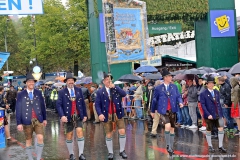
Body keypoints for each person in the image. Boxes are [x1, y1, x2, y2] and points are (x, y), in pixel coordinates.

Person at [95, 72, 127, 160]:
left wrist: (115, 87)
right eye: (106, 80)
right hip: (107, 114)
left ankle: (122, 150)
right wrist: (100, 114)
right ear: (103, 81)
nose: (108, 81)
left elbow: (124, 94)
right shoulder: (100, 92)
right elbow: (97, 104)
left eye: (109, 79)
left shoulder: (116, 88)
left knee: (122, 131)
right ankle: (110, 152)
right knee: (109, 134)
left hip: (118, 113)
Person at [151, 68, 183, 156]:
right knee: (167, 126)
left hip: (172, 110)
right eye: (169, 76)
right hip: (163, 110)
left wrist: (180, 102)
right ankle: (168, 145)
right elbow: (154, 100)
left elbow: (178, 96)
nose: (171, 77)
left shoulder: (174, 86)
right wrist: (152, 111)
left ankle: (170, 146)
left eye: (171, 76)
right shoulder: (158, 88)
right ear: (165, 77)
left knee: (172, 128)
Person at [16, 72, 47, 160]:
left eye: (32, 81)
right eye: (29, 81)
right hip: (26, 120)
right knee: (28, 140)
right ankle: (30, 158)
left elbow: (42, 106)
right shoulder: (21, 94)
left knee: (40, 137)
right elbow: (18, 109)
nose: (31, 83)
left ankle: (38, 158)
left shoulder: (38, 92)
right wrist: (19, 123)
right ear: (26, 83)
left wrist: (44, 118)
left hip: (38, 119)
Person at [56, 72, 87, 160]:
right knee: (69, 135)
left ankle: (81, 154)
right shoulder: (62, 92)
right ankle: (71, 154)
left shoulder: (78, 90)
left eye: (72, 80)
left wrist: (85, 114)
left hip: (78, 115)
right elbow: (58, 105)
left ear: (74, 81)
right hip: (67, 116)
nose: (70, 82)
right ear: (66, 82)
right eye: (69, 80)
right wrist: (62, 116)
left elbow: (82, 103)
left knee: (80, 132)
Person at [200, 76, 227, 153]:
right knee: (209, 130)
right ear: (207, 84)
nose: (211, 84)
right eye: (210, 83)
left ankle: (220, 146)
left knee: (221, 128)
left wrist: (221, 114)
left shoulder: (216, 92)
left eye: (212, 83)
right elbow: (203, 105)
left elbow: (218, 104)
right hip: (209, 115)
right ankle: (210, 146)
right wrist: (208, 114)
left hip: (218, 114)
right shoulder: (203, 94)